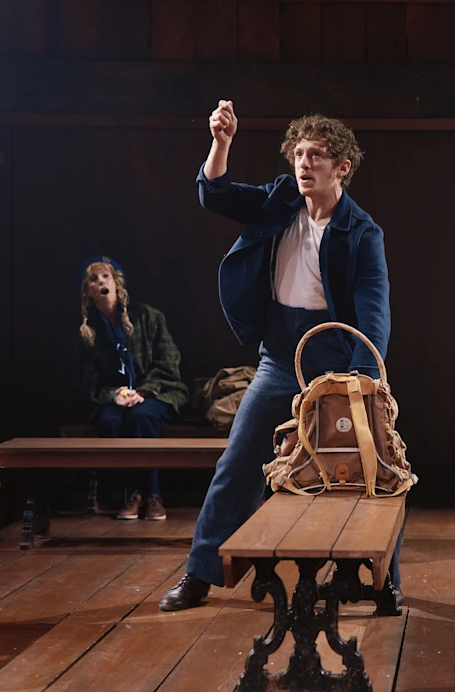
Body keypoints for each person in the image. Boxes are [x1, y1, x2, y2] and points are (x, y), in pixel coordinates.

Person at [160, 102, 396, 611]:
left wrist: (362, 380)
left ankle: (382, 583)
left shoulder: (362, 232)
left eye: (317, 156)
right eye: (299, 155)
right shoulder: (281, 199)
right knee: (237, 462)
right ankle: (200, 574)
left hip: (335, 359)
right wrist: (221, 142)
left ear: (342, 168)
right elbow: (214, 193)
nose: (304, 164)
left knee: (365, 466)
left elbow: (373, 311)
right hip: (277, 358)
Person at [77, 256, 189, 521]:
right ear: (88, 291)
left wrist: (144, 391)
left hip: (157, 392)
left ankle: (152, 494)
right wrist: (113, 395)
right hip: (116, 400)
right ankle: (131, 494)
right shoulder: (88, 332)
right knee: (111, 422)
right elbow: (87, 379)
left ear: (116, 284)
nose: (100, 282)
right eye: (94, 279)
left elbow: (168, 362)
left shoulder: (149, 317)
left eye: (105, 277)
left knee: (143, 416)